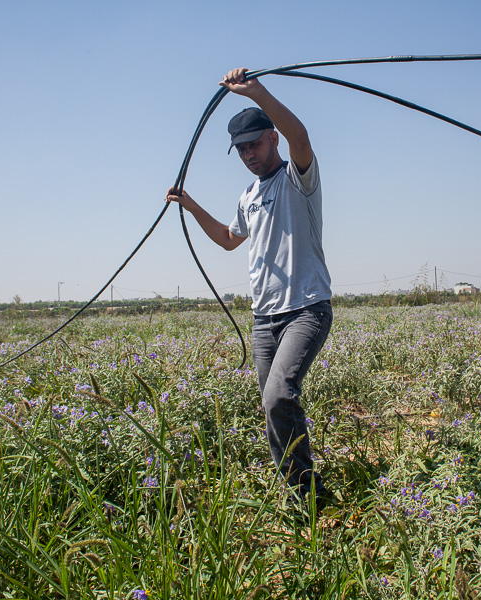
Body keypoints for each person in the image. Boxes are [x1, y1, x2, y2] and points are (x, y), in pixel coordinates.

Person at [166, 68, 333, 507]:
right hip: (264, 319)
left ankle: (307, 495)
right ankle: (296, 493)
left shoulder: (299, 178)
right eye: (240, 149)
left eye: (254, 144)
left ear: (272, 138)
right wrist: (189, 203)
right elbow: (226, 238)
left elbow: (302, 136)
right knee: (270, 407)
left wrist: (256, 90)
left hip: (306, 309)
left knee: (280, 396)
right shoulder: (248, 196)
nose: (248, 155)